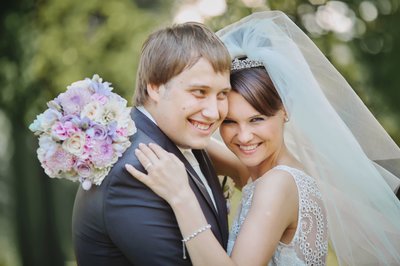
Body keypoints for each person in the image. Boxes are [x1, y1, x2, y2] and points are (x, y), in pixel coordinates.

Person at [125, 11, 400, 265]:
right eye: (229, 121)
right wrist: (112, 122)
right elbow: (189, 136)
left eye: (257, 119)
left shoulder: (278, 185)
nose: (243, 137)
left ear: (285, 112)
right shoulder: (260, 171)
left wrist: (181, 196)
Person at [72, 21, 240, 265]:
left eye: (222, 94)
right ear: (155, 87)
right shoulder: (135, 172)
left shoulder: (181, 135)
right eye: (199, 92)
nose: (214, 113)